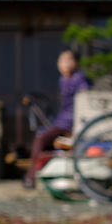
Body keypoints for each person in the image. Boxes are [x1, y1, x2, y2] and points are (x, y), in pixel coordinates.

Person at [23, 49, 91, 188]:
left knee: (42, 139)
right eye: (62, 61)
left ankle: (31, 177)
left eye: (68, 60)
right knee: (43, 137)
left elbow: (85, 100)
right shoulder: (63, 79)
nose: (65, 64)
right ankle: (42, 175)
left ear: (76, 62)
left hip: (70, 121)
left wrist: (76, 125)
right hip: (63, 120)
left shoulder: (79, 79)